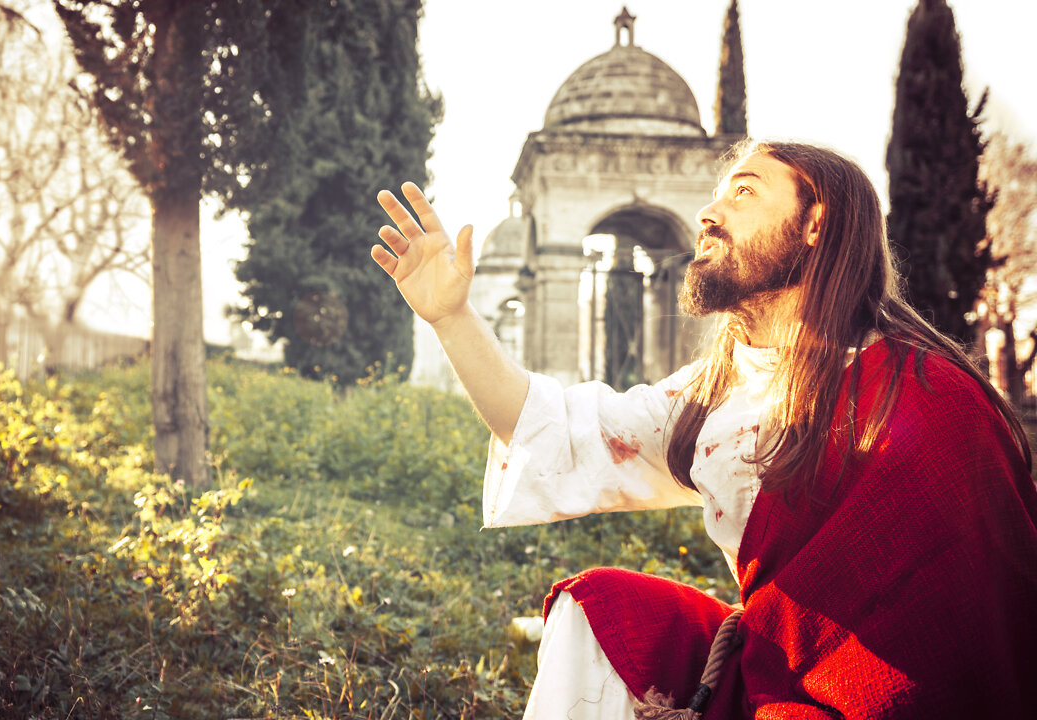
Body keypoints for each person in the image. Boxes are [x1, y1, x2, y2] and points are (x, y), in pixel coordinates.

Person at [371, 139, 1037, 719]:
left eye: (743, 192)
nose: (708, 213)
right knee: (598, 609)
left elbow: (987, 623)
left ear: (815, 225)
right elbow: (547, 427)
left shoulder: (932, 397)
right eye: (714, 195)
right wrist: (451, 318)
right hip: (771, 693)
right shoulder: (707, 403)